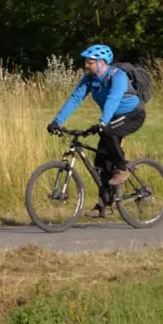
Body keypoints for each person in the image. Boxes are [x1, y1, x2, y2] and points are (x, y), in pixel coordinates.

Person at [48, 44, 145, 216]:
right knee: (101, 162)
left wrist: (102, 122)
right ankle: (105, 205)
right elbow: (75, 99)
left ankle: (122, 168)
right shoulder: (89, 79)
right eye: (86, 62)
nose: (86, 65)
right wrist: (57, 121)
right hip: (112, 118)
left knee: (108, 132)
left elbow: (113, 100)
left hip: (132, 115)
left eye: (90, 62)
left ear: (102, 63)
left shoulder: (118, 76)